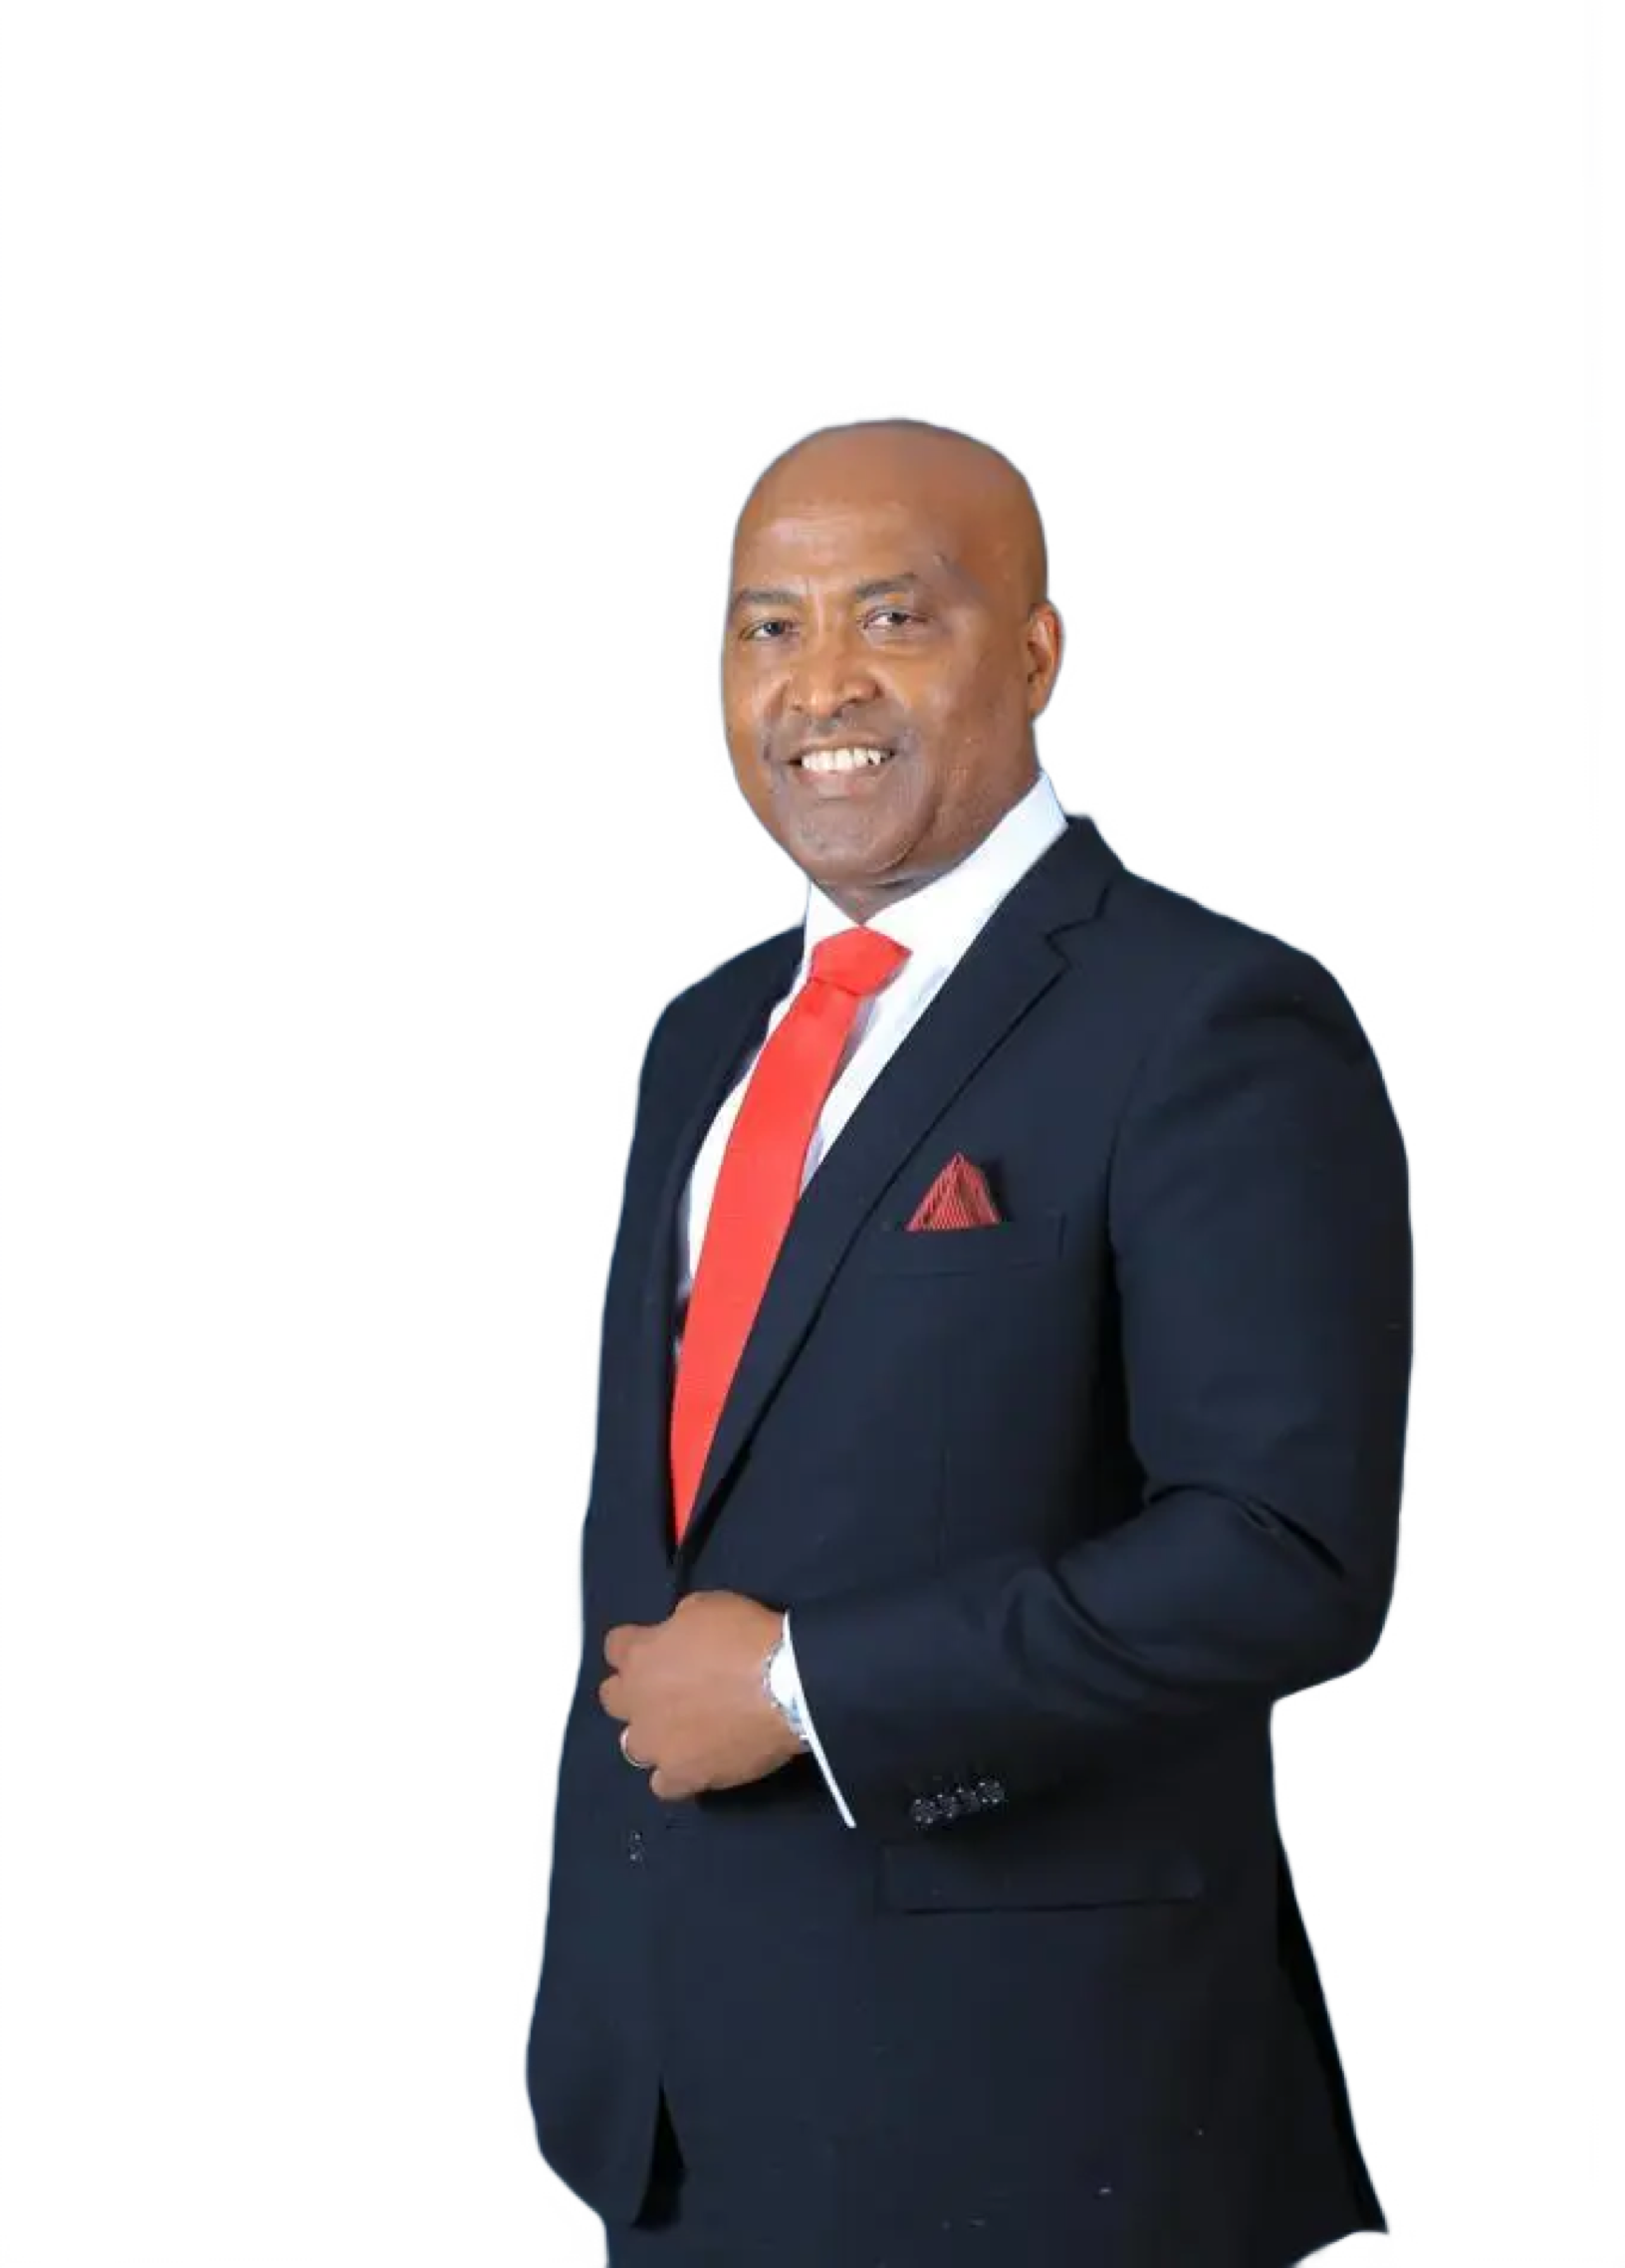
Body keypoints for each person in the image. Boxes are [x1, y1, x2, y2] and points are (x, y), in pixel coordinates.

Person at [521, 415, 1414, 2265]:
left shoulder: (1214, 1018)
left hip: (1033, 2115)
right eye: (767, 628)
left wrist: (805, 1688)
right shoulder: (702, 1034)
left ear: (1036, 649)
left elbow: (1286, 1553)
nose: (819, 685)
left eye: (893, 616)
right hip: (675, 2100)